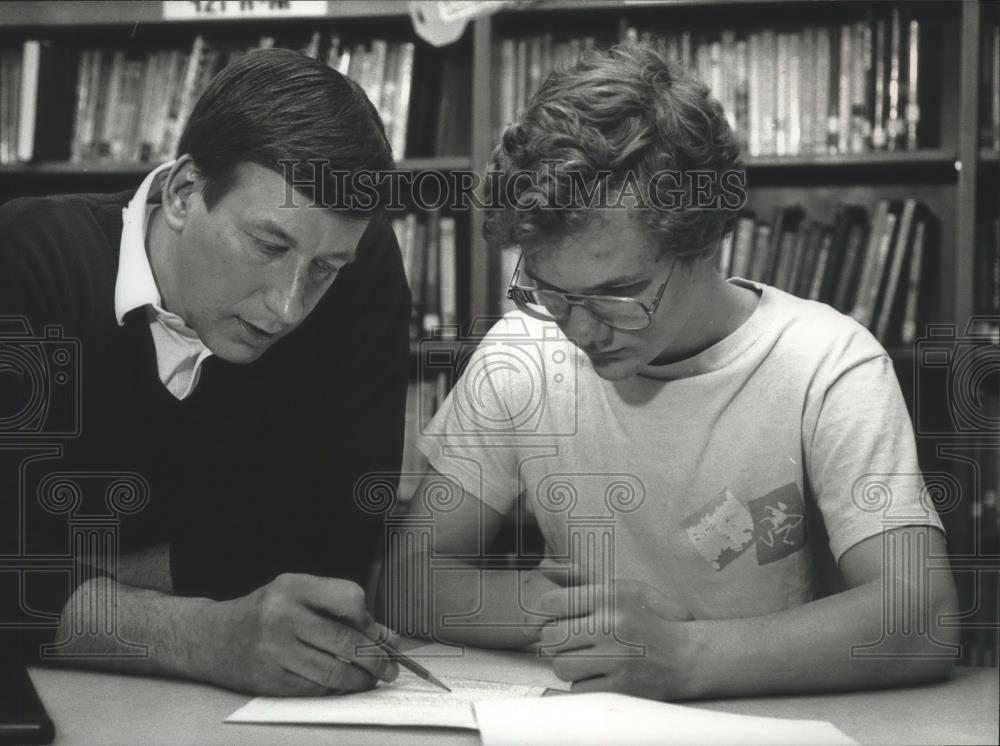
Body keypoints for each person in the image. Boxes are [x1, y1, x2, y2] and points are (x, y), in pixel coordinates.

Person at [383, 43, 960, 700]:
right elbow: (407, 581)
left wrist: (685, 656)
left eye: (617, 294)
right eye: (547, 291)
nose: (579, 330)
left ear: (705, 241)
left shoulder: (827, 362)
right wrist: (567, 613)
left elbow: (924, 617)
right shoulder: (523, 352)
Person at [0, 49, 409, 695]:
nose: (288, 306)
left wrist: (66, 578)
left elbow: (339, 542)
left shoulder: (363, 267)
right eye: (268, 246)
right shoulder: (25, 261)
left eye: (326, 269)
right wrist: (204, 635)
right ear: (186, 192)